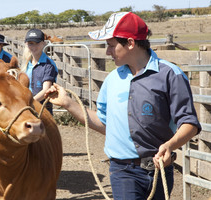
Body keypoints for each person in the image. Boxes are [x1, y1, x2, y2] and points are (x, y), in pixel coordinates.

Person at [45, 12, 201, 199]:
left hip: (160, 170)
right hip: (123, 171)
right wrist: (68, 103)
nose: (107, 52)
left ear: (130, 43)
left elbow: (189, 123)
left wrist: (170, 145)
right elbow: (104, 123)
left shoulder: (170, 75)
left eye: (111, 46)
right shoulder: (112, 80)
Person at [21, 28, 58, 115]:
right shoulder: (27, 64)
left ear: (43, 43)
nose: (33, 47)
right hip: (27, 108)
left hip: (42, 109)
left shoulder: (49, 65)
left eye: (36, 43)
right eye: (30, 44)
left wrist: (28, 104)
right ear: (26, 44)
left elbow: (46, 90)